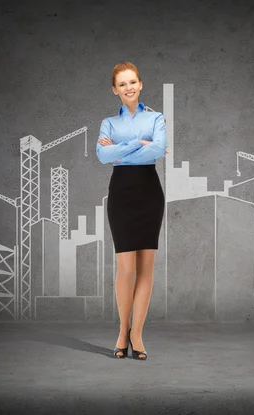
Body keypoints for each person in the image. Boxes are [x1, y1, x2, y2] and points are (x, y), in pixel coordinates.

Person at [96, 62, 168, 360]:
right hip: (121, 193)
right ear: (115, 89)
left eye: (133, 82)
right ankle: (122, 330)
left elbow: (159, 150)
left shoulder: (156, 117)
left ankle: (137, 334)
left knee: (146, 268)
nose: (128, 87)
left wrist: (120, 149)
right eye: (122, 84)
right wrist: (139, 143)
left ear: (140, 84)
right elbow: (102, 155)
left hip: (150, 192)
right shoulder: (108, 122)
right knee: (126, 268)